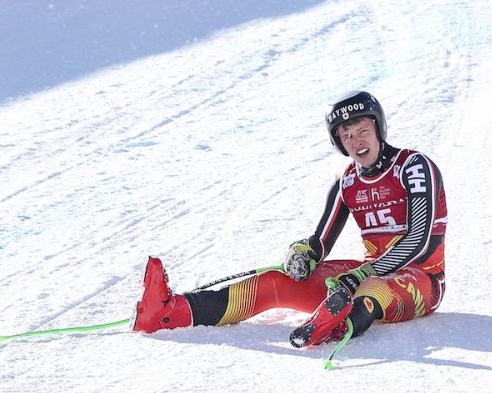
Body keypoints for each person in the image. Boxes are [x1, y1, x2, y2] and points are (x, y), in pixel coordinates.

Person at [131, 90, 448, 347]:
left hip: (422, 280)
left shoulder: (413, 166)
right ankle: (171, 312)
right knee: (277, 281)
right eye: (347, 135)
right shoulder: (348, 181)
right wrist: (303, 254)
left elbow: (420, 239)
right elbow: (320, 242)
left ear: (378, 128)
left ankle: (339, 323)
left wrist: (365, 273)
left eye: (363, 130)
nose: (356, 142)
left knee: (374, 287)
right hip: (364, 276)